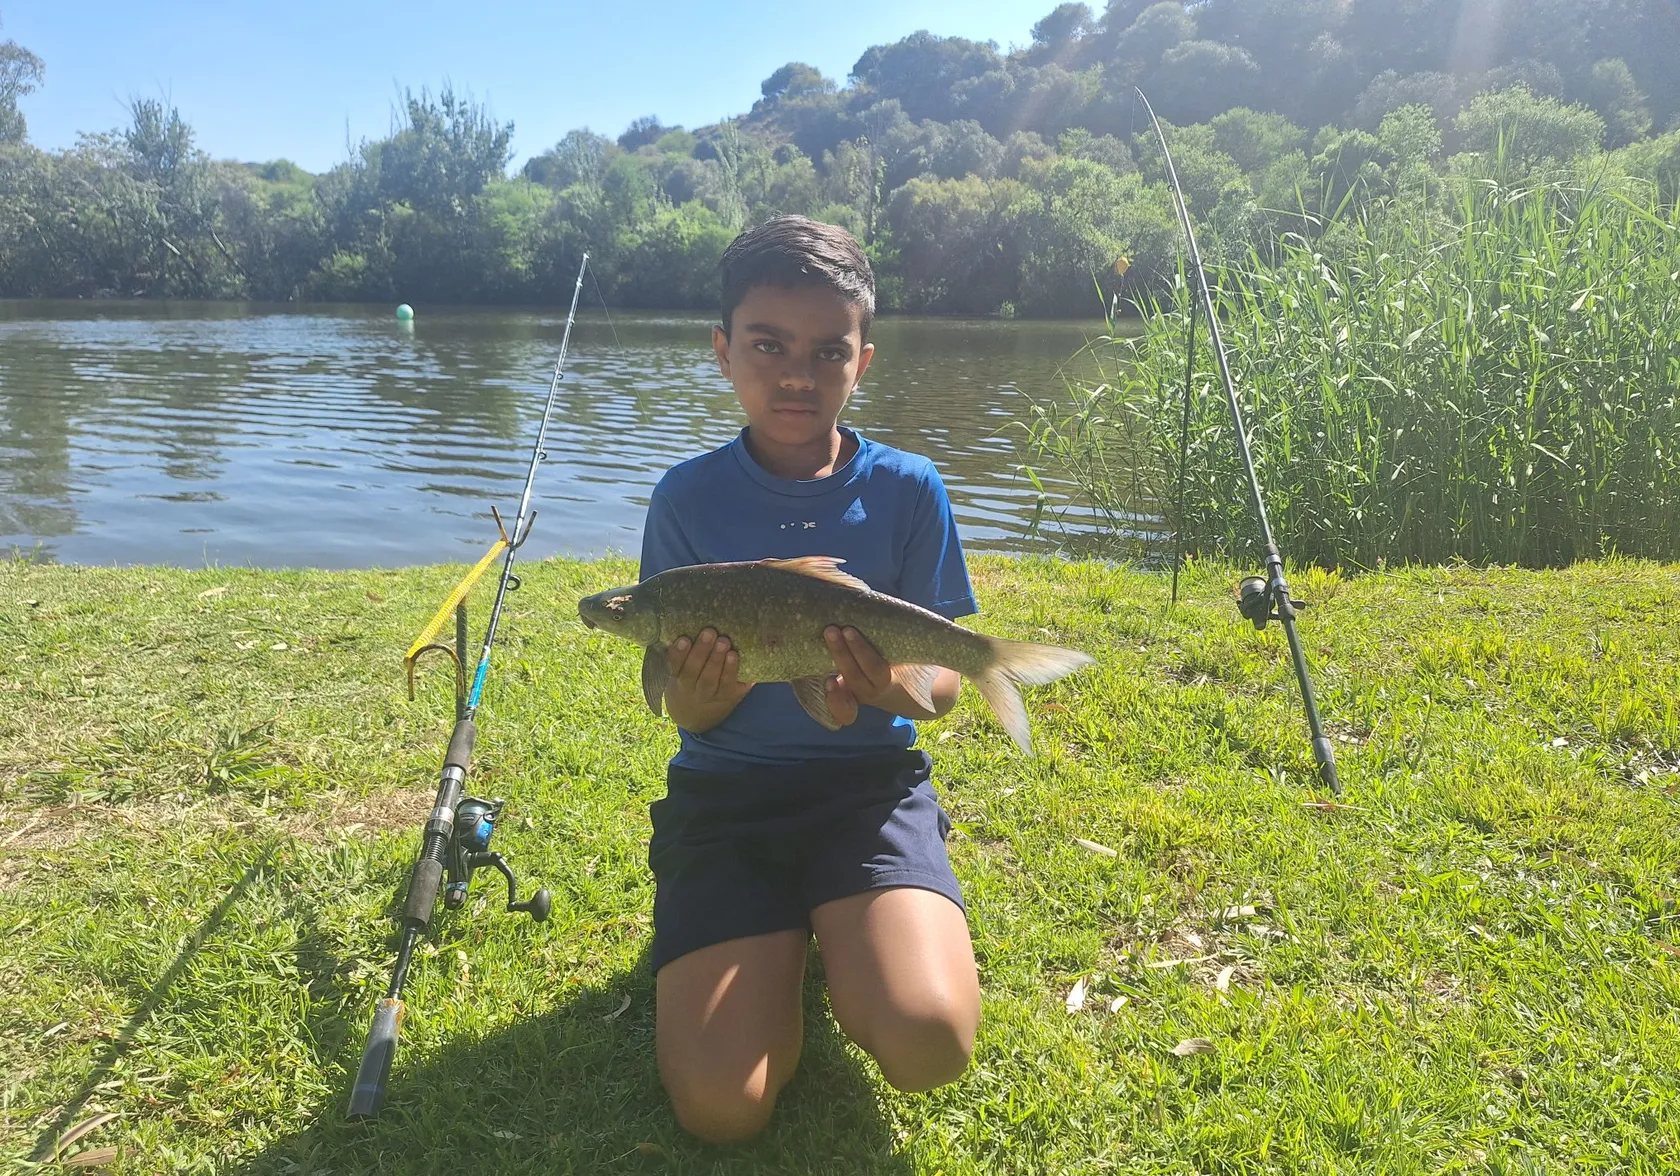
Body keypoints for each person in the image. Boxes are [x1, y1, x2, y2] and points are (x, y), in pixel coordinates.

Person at [636, 214, 982, 1144]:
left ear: (862, 360)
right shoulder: (685, 499)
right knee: (722, 1110)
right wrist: (703, 694)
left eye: (829, 350)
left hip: (869, 792)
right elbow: (685, 708)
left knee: (931, 1042)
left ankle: (844, 927)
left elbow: (940, 686)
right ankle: (791, 938)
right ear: (722, 351)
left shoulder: (910, 488)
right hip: (729, 802)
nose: (797, 373)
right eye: (768, 345)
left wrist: (888, 688)